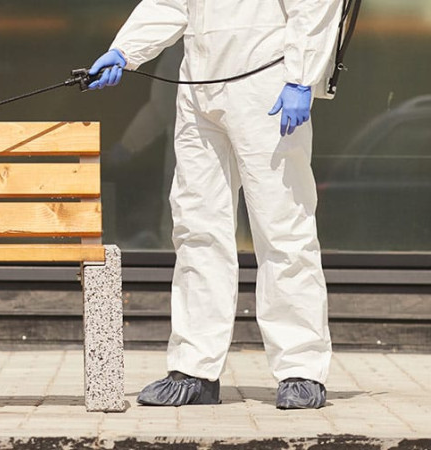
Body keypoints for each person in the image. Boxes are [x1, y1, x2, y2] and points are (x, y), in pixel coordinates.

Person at [88, 0, 342, 409]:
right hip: (198, 88)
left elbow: (313, 5)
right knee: (196, 227)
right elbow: (170, 3)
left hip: (268, 84)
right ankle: (194, 369)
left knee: (283, 226)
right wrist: (126, 49)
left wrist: (301, 78)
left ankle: (301, 369)